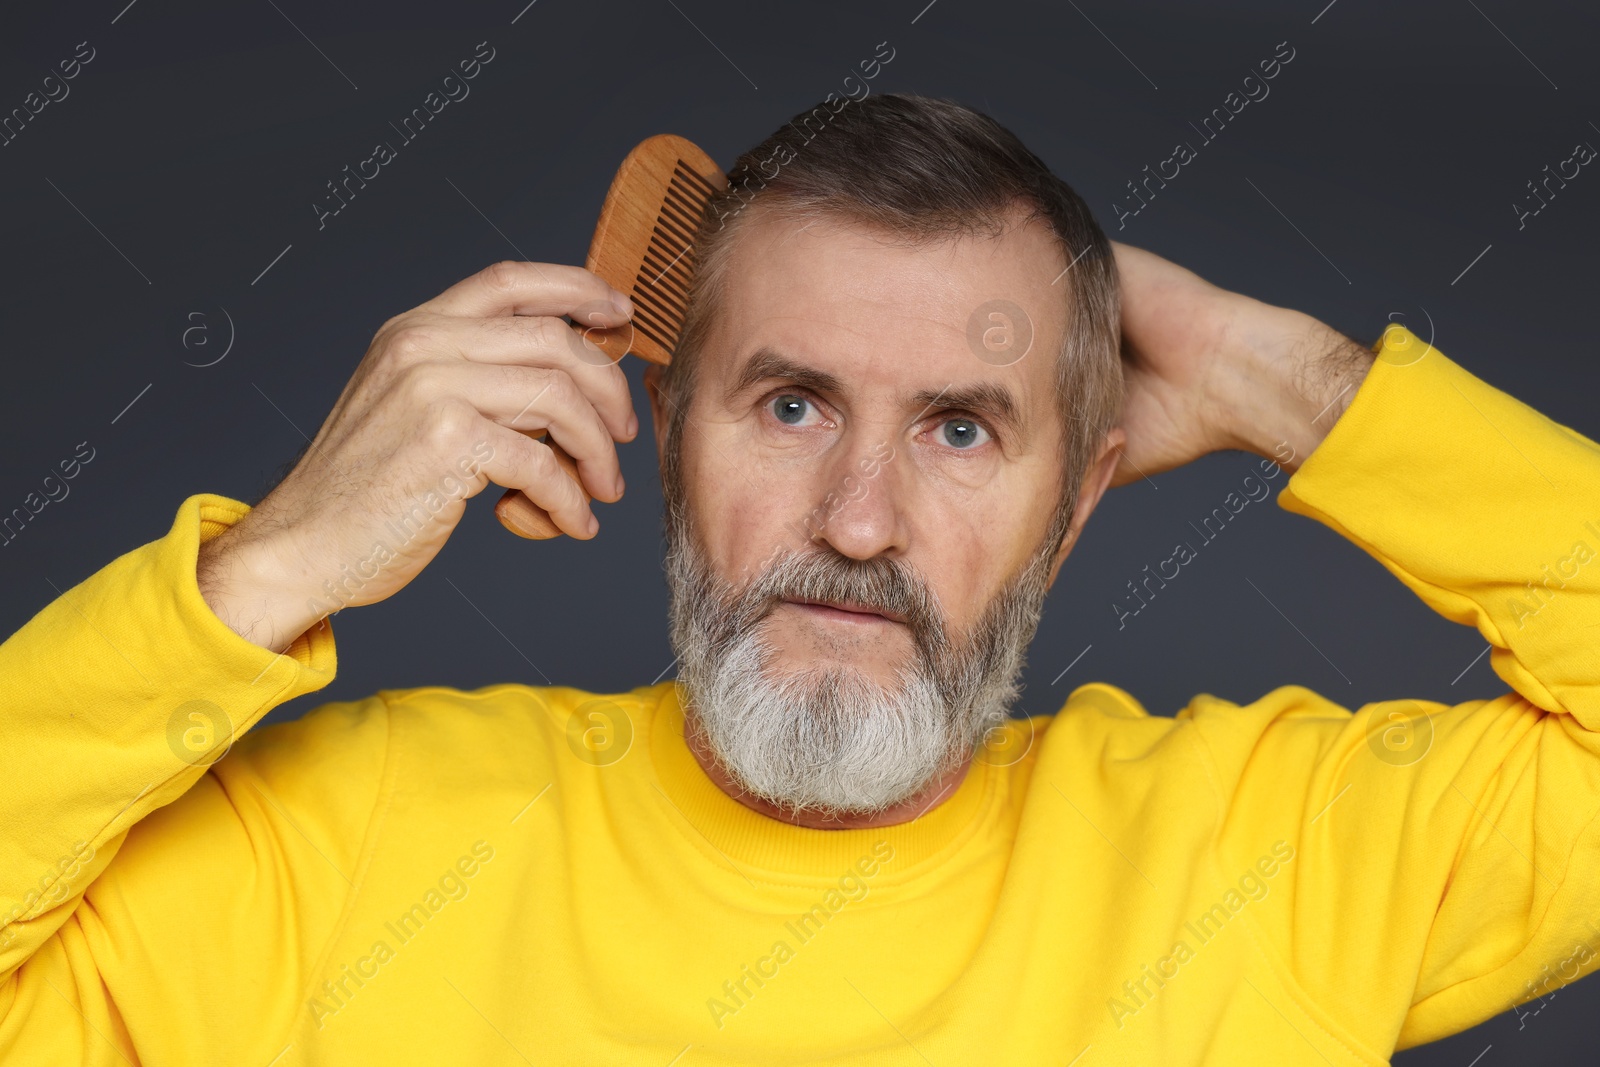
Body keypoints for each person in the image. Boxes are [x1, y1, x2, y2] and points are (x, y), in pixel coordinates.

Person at [2, 92, 1595, 1066]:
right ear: (670, 428)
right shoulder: (334, 846)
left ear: (1074, 501)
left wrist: (1289, 380)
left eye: (962, 430)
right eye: (790, 404)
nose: (857, 517)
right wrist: (265, 566)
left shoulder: (1277, 862)